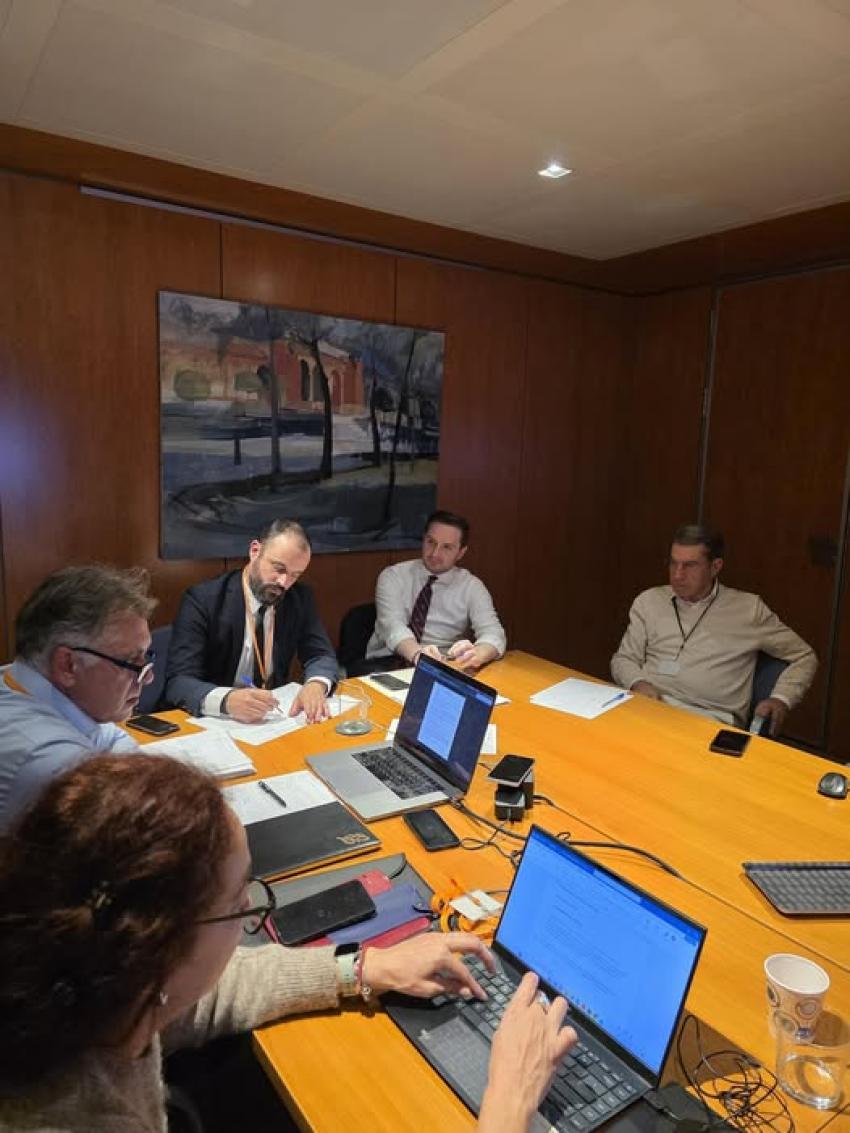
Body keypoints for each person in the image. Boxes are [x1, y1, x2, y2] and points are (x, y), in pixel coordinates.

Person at [0, 753, 577, 1133]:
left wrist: (363, 968)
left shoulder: (94, 986)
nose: (248, 918)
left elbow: (218, 988)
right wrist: (507, 1107)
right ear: (161, 947)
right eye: (239, 903)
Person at [611, 524, 817, 734]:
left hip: (708, 721)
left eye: (690, 565)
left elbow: (804, 656)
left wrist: (781, 699)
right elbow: (623, 659)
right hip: (647, 710)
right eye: (673, 563)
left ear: (715, 567)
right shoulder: (649, 601)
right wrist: (637, 682)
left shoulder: (748, 610)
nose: (677, 575)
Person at [0, 564, 156, 833]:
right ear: (68, 666)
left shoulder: (19, 679)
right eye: (131, 661)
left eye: (146, 657)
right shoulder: (50, 760)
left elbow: (110, 736)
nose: (148, 677)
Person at [165, 520, 338, 725]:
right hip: (214, 722)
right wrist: (226, 701)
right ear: (255, 551)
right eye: (279, 569)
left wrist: (316, 685)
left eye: (295, 575)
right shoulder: (203, 601)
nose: (284, 583)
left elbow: (320, 654)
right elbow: (178, 682)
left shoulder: (299, 599)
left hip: (269, 720)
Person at [366, 510, 507, 672]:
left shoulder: (472, 587)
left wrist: (478, 653)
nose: (435, 553)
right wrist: (418, 655)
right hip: (388, 661)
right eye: (431, 542)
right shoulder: (393, 576)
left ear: (461, 553)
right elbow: (393, 627)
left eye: (447, 547)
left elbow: (494, 633)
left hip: (443, 663)